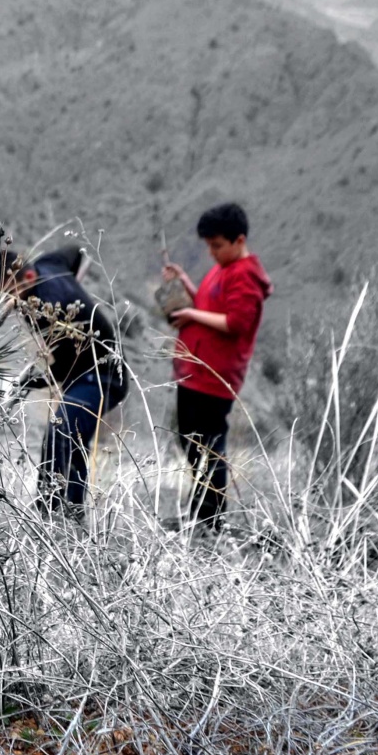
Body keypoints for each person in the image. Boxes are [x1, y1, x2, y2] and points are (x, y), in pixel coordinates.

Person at [0, 244, 129, 519]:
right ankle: (60, 514)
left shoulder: (47, 308)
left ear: (28, 278)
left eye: (10, 292)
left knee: (63, 431)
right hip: (83, 374)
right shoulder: (48, 264)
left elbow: (62, 369)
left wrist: (27, 382)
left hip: (103, 376)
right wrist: (75, 284)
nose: (8, 302)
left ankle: (56, 514)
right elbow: (76, 251)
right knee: (67, 436)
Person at [160, 203, 273, 531]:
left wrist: (191, 315)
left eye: (217, 245)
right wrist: (185, 283)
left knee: (207, 444)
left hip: (215, 374)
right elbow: (209, 306)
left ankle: (210, 518)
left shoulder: (244, 275)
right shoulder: (223, 269)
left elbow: (236, 323)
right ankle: (201, 512)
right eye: (209, 245)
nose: (212, 252)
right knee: (191, 439)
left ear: (239, 241)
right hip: (195, 370)